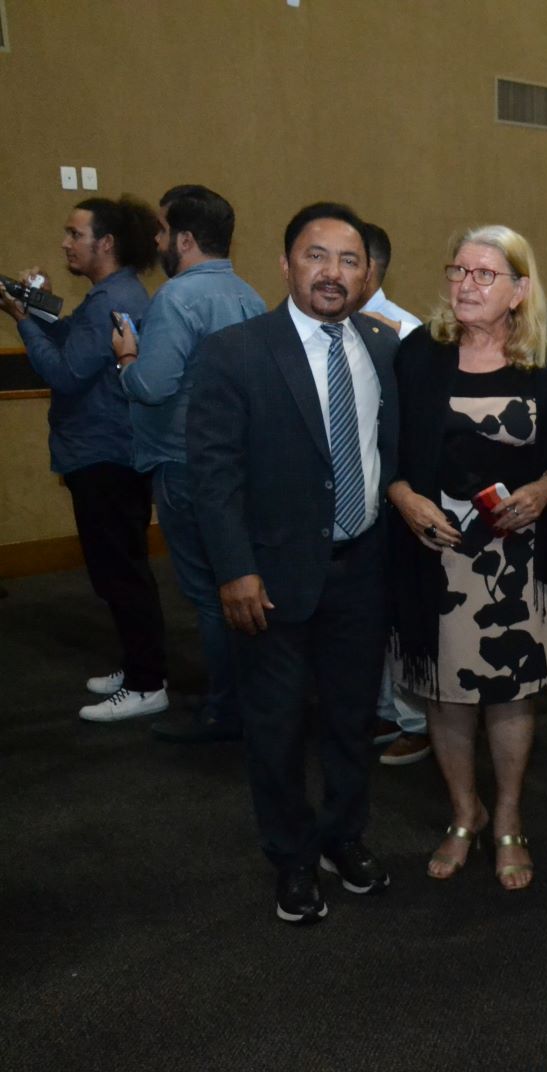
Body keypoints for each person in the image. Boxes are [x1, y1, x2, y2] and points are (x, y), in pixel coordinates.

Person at [188, 202, 399, 924]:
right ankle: (292, 858)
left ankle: (344, 837)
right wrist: (234, 569)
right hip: (270, 578)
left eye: (349, 260)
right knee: (276, 728)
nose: (332, 272)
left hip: (362, 569)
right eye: (316, 256)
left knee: (350, 719)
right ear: (285, 265)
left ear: (367, 274)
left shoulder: (384, 347)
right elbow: (212, 475)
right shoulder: (236, 350)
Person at [387, 224, 547, 892]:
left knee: (511, 694)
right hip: (435, 552)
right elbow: (389, 448)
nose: (466, 284)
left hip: (518, 557)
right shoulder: (419, 353)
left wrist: (546, 488)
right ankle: (466, 812)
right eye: (459, 270)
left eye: (485, 274)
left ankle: (509, 815)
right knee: (446, 693)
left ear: (519, 291)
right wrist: (403, 496)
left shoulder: (545, 361)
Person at [1, 196, 168, 722]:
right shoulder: (109, 296)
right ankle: (140, 663)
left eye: (75, 234)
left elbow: (65, 373)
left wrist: (22, 318)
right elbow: (76, 346)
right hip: (104, 454)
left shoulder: (112, 300)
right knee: (118, 570)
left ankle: (148, 684)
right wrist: (39, 307)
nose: (65, 244)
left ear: (107, 243)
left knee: (121, 573)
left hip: (106, 457)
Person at [112, 185, 267, 743]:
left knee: (210, 595)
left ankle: (226, 712)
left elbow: (153, 386)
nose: (155, 242)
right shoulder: (249, 295)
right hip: (236, 463)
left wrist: (127, 358)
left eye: (160, 231)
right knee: (238, 584)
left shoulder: (176, 299)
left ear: (183, 239)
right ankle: (245, 698)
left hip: (183, 464)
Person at [355, 221, 431, 767]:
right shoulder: (337, 327)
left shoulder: (406, 333)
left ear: (371, 269)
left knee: (401, 611)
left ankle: (416, 720)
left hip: (399, 491)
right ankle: (383, 708)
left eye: (347, 260)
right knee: (366, 609)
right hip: (355, 492)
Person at [358, 222, 424, 338]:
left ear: (368, 268)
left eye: (348, 261)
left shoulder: (405, 332)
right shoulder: (331, 320)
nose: (334, 272)